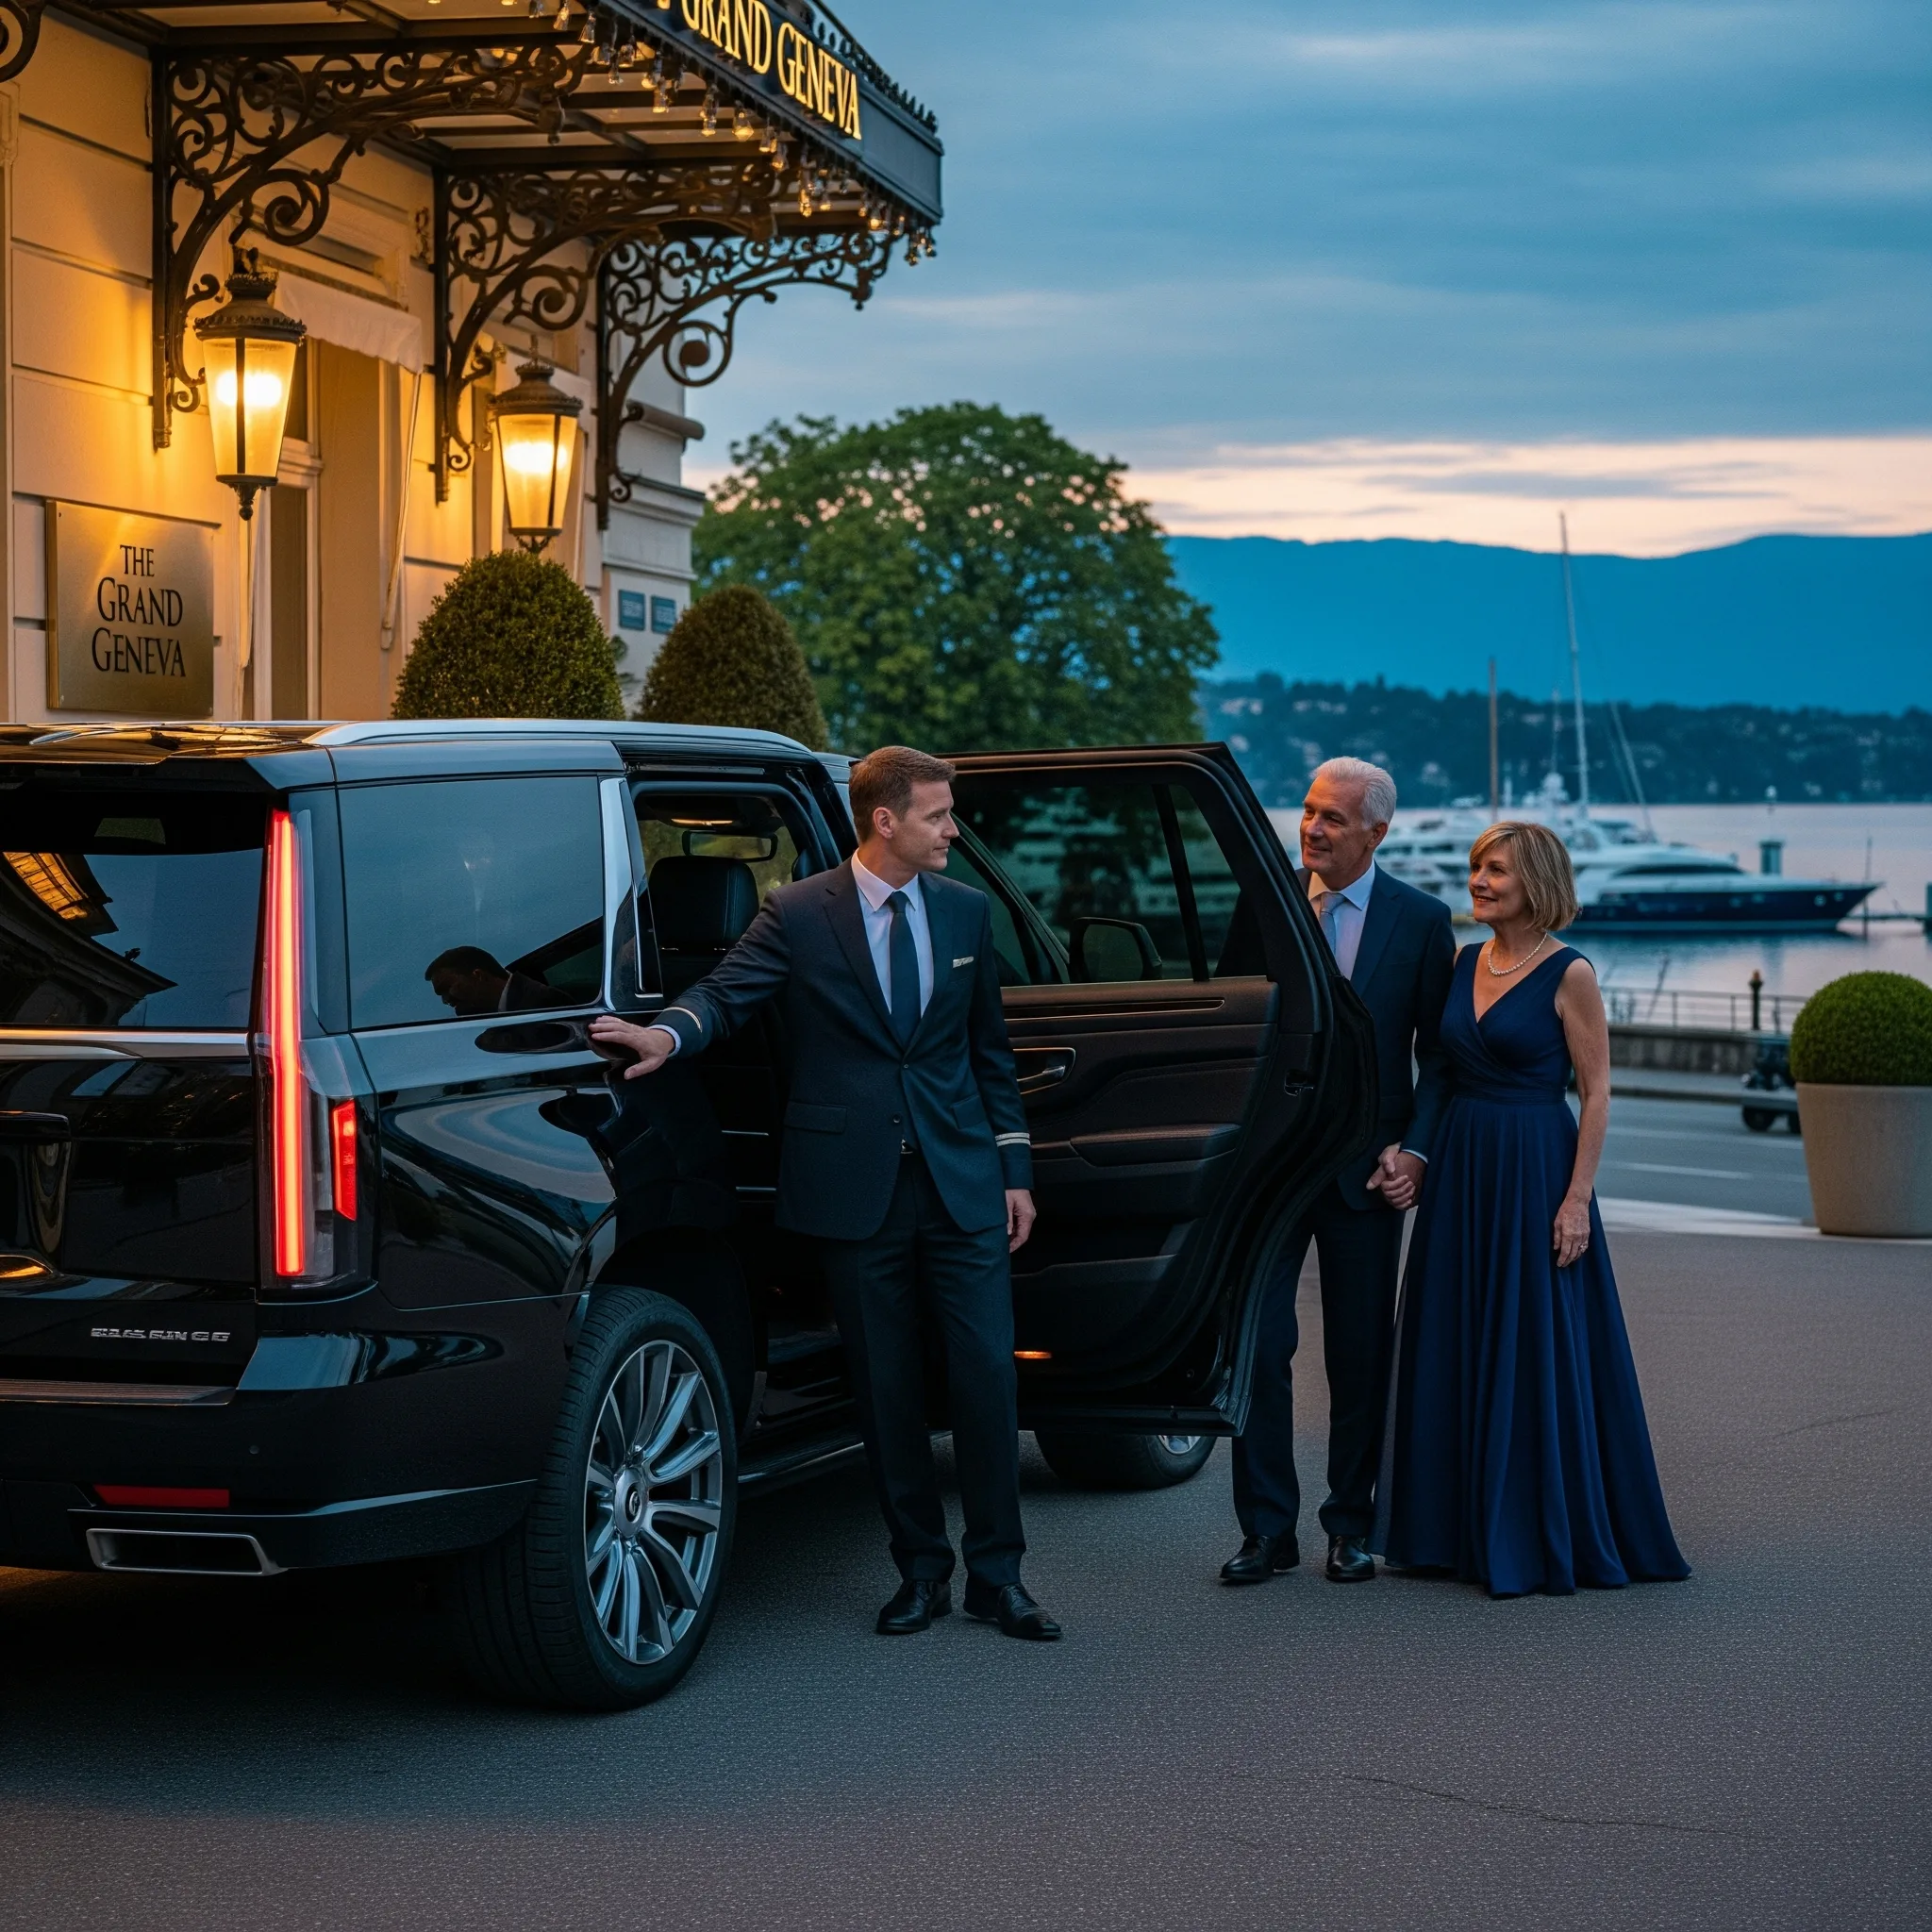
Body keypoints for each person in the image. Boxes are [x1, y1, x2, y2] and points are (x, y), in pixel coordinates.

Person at [590, 746, 1061, 1642]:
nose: (953, 830)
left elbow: (989, 1057)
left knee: (986, 1382)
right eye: (938, 816)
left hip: (962, 1185)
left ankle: (999, 1579)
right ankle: (920, 1572)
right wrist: (663, 1037)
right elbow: (726, 997)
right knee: (885, 1388)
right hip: (856, 1192)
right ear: (886, 820)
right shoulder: (798, 913)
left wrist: (1015, 1169)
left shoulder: (965, 913)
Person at [1375, 821, 1690, 1596]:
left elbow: (1599, 1092)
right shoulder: (1464, 960)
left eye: (1497, 871)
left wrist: (1576, 1200)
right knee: (1455, 1332)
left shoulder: (1569, 973)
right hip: (1462, 1169)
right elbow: (1441, 1072)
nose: (1478, 880)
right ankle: (1446, 1530)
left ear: (1536, 883)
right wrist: (1414, 1150)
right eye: (1477, 867)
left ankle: (1529, 1530)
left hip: (1535, 1167)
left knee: (1531, 1345)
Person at [1224, 757, 1456, 1587]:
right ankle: (1266, 1531)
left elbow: (1443, 1058)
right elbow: (1231, 1031)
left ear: (1376, 834)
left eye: (1333, 819)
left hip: (1368, 1173)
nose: (1313, 828)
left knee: (1359, 1355)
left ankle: (1350, 1526)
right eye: (1310, 812)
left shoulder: (1424, 922)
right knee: (1258, 1347)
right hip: (1271, 1171)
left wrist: (1417, 1152)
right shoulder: (1266, 902)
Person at [425, 946, 551, 1016]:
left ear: (478, 975)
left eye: (447, 988)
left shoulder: (543, 1006)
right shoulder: (506, 1011)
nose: (445, 1000)